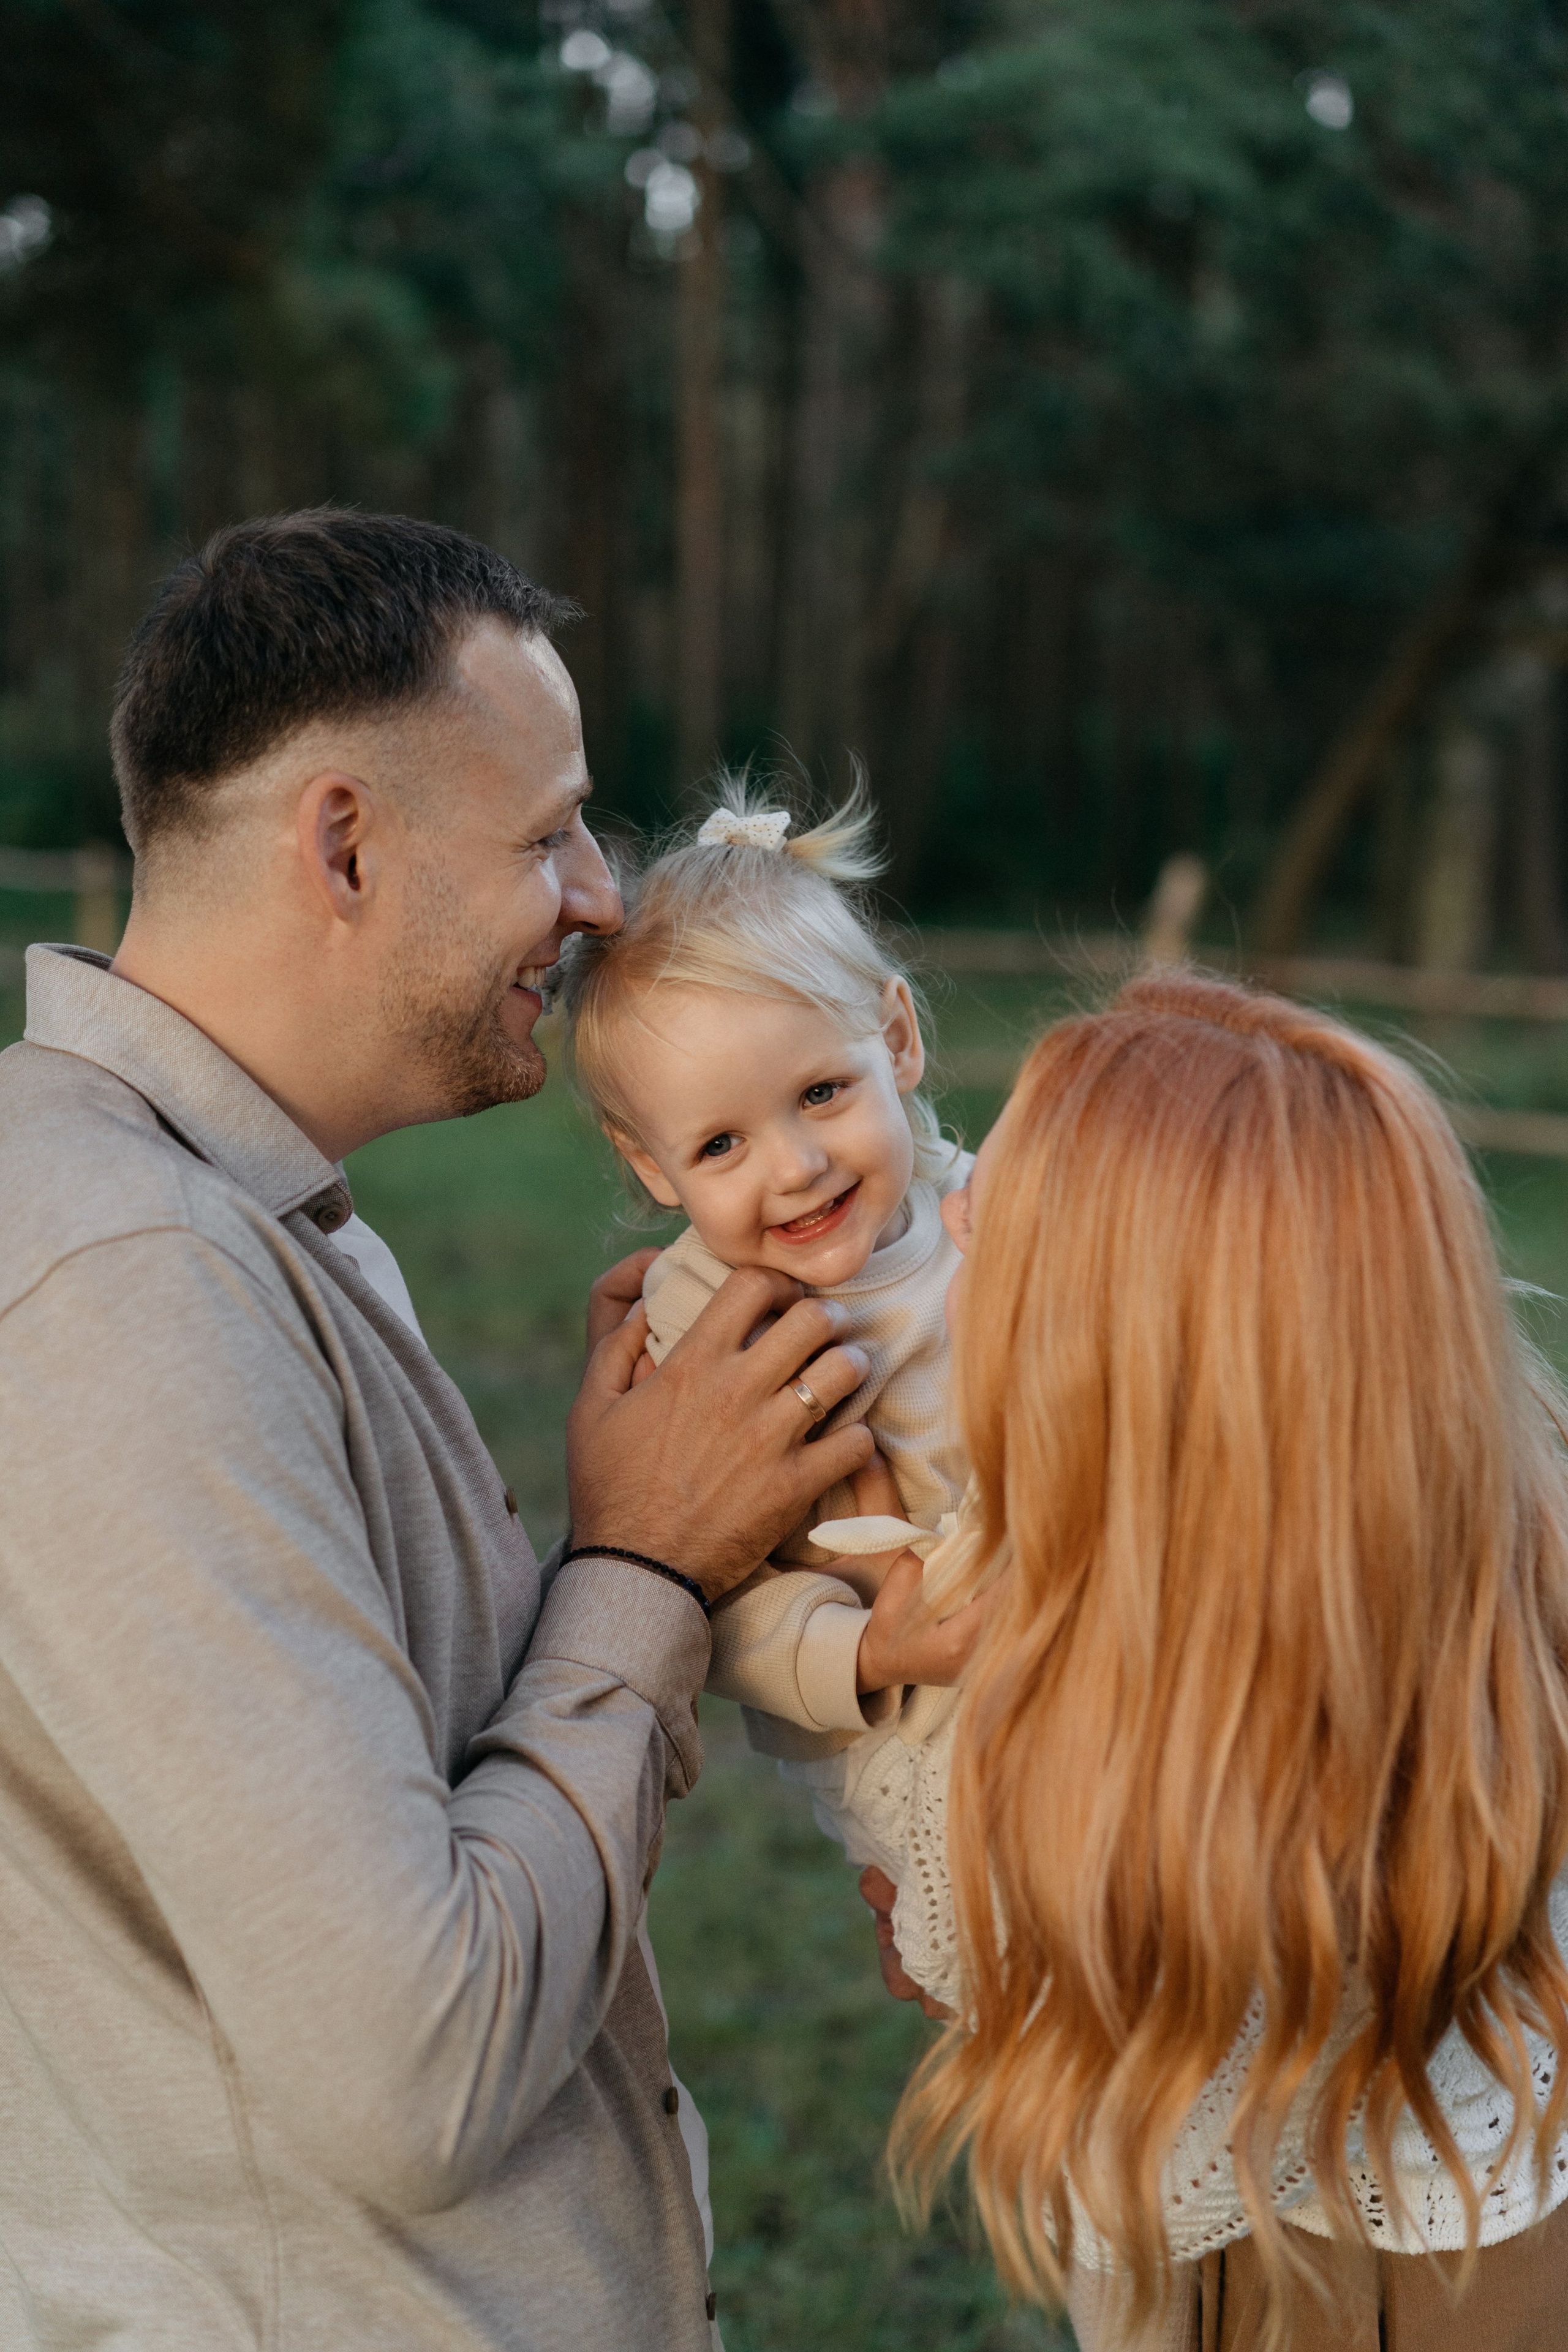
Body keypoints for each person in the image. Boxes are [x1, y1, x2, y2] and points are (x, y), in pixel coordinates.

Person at [0, 508, 884, 2352]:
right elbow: (414, 2067)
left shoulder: (225, 1211)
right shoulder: (132, 1285)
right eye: (547, 829)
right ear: (344, 842)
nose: (602, 896)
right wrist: (643, 1569)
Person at [877, 971, 1568, 2350]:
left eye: (977, 1226)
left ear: (1119, 1356)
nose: (936, 1235)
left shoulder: (1063, 1687)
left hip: (1294, 2273)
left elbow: (956, 1951)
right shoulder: (1501, 1530)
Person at [556, 780, 986, 1838]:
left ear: (895, 1039)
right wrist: (872, 1650)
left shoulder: (989, 1211)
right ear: (649, 1164)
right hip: (918, 1746)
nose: (794, 1169)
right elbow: (701, 1597)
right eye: (719, 1145)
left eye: (822, 1094)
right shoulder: (703, 1330)